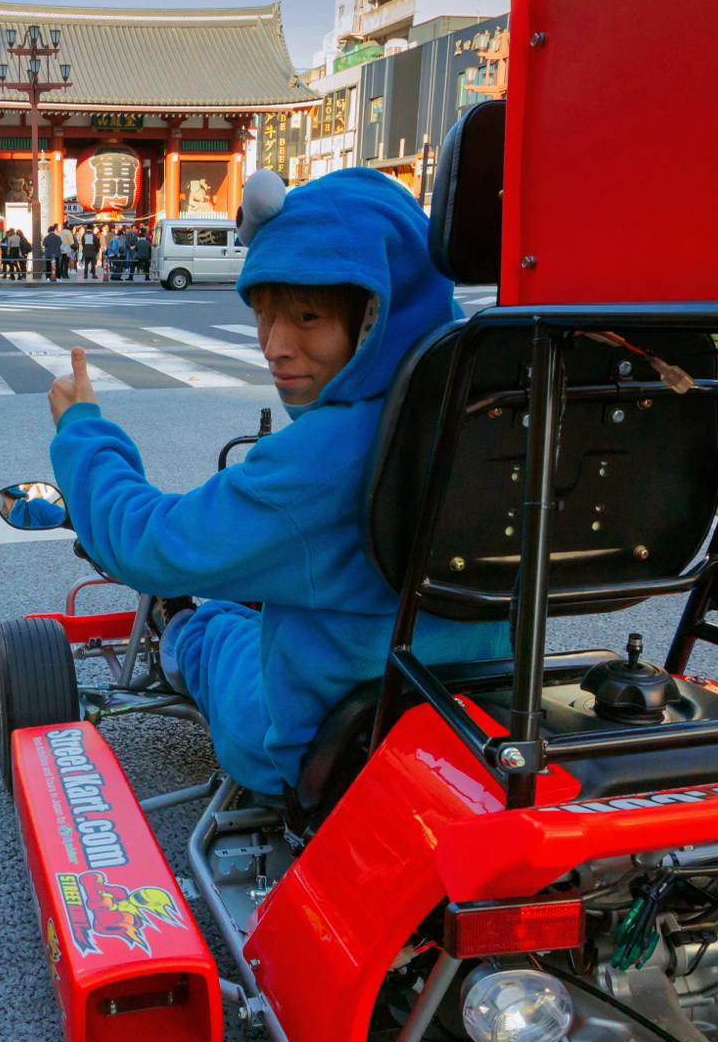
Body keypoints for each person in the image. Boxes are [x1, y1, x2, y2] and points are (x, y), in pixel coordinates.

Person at [42, 168, 508, 799]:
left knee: (222, 630)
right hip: (484, 705)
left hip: (323, 738)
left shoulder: (324, 454)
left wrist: (83, 434)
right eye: (265, 316)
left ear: (378, 310)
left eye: (308, 317)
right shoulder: (496, 407)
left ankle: (177, 637)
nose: (275, 347)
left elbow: (149, 548)